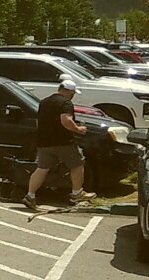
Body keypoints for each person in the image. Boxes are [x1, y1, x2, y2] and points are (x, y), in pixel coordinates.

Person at [24, 79, 97, 210]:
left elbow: (39, 122)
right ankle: (77, 193)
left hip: (44, 142)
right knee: (77, 164)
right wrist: (78, 129)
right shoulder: (65, 103)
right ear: (68, 91)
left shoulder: (44, 102)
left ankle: (30, 195)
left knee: (42, 168)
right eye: (73, 93)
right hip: (63, 142)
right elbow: (66, 120)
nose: (73, 95)